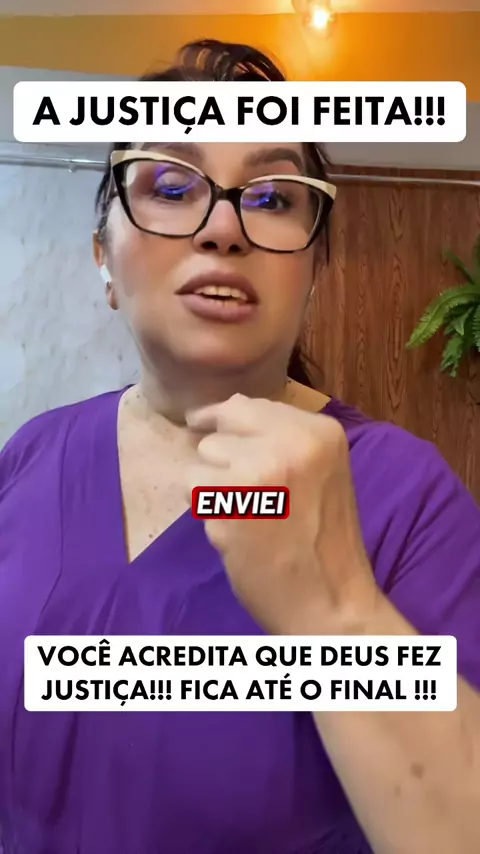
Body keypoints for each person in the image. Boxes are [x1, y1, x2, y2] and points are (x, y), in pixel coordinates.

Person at [0, 39, 479, 854]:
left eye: (272, 197)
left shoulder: (410, 499)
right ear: (103, 259)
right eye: (170, 186)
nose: (224, 227)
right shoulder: (31, 455)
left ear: (314, 272)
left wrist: (336, 615)